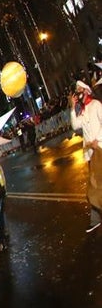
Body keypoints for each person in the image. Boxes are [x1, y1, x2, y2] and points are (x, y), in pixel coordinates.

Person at [71, 79, 102, 233]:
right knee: (94, 188)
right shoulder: (82, 110)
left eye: (80, 90)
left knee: (97, 186)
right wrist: (72, 107)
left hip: (100, 150)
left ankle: (95, 219)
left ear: (86, 91)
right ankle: (95, 219)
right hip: (90, 154)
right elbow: (75, 125)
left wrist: (99, 139)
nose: (78, 93)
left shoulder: (96, 105)